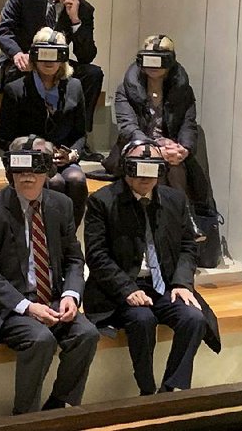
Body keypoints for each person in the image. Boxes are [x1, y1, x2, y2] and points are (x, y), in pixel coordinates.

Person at [0, 135, 98, 414]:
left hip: (50, 298)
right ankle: (25, 417)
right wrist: (28, 307)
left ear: (48, 171)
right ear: (9, 171)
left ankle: (58, 405)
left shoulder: (61, 205)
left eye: (35, 169)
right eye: (20, 169)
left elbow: (75, 259)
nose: (28, 177)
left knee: (86, 333)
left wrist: (71, 295)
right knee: (41, 339)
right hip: (7, 307)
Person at [84, 140, 221, 395]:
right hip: (120, 290)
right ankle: (146, 391)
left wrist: (182, 282)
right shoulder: (102, 201)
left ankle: (169, 389)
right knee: (142, 319)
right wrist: (127, 289)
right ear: (125, 168)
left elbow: (188, 247)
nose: (145, 177)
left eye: (152, 169)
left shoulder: (175, 199)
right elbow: (97, 255)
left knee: (193, 317)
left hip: (165, 284)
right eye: (138, 168)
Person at [0, 0, 103, 162]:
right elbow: (3, 31)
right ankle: (21, 141)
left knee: (93, 74)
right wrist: (16, 53)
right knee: (19, 75)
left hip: (56, 63)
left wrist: (75, 21)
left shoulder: (84, 9)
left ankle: (79, 141)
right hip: (23, 60)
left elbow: (86, 55)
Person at [0, 27, 88, 227]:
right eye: (43, 54)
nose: (49, 61)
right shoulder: (16, 89)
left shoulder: (75, 87)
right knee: (54, 182)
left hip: (62, 158)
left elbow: (80, 133)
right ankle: (47, 236)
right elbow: (3, 139)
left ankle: (68, 235)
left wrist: (72, 154)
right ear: (34, 55)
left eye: (55, 55)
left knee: (76, 180)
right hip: (28, 159)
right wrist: (35, 151)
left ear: (63, 57)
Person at [103, 35, 198, 192]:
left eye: (160, 60)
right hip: (136, 147)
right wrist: (154, 148)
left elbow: (188, 124)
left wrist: (183, 149)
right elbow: (128, 127)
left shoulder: (183, 91)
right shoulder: (126, 89)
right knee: (154, 164)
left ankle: (179, 214)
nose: (153, 65)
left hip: (170, 150)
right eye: (149, 59)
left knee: (175, 167)